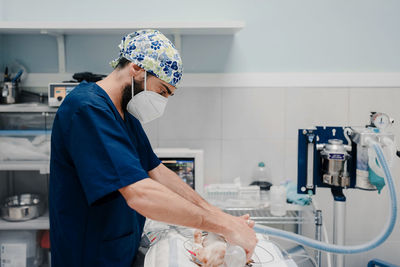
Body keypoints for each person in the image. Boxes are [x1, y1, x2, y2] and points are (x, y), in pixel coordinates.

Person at [49, 29, 257, 267]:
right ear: (137, 68)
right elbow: (140, 194)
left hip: (118, 248)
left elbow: (156, 171)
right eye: (162, 91)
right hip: (89, 255)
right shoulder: (86, 110)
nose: (162, 101)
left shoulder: (125, 114)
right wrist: (222, 225)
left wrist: (220, 216)